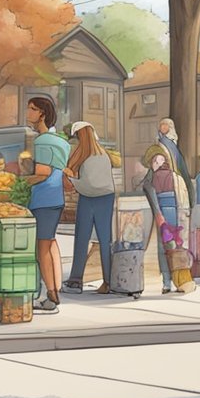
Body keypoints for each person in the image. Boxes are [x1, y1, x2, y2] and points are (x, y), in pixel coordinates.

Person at [62, 122, 117, 294]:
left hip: (89, 198)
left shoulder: (89, 156)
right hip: (105, 199)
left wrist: (72, 181)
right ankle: (109, 281)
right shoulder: (103, 154)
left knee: (82, 239)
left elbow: (90, 184)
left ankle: (76, 281)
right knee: (105, 240)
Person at [25, 97, 68, 313]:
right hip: (57, 199)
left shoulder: (41, 141)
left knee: (41, 249)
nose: (28, 112)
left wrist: (21, 180)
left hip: (42, 199)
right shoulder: (61, 141)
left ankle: (50, 296)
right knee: (51, 244)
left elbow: (42, 173)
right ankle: (55, 291)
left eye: (32, 109)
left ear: (42, 114)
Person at [141, 142, 186, 294]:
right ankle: (178, 280)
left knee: (163, 248)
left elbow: (151, 195)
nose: (154, 164)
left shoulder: (154, 178)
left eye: (156, 161)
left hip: (162, 214)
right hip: (173, 212)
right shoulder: (174, 176)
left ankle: (167, 282)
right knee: (174, 247)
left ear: (161, 161)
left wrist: (159, 215)